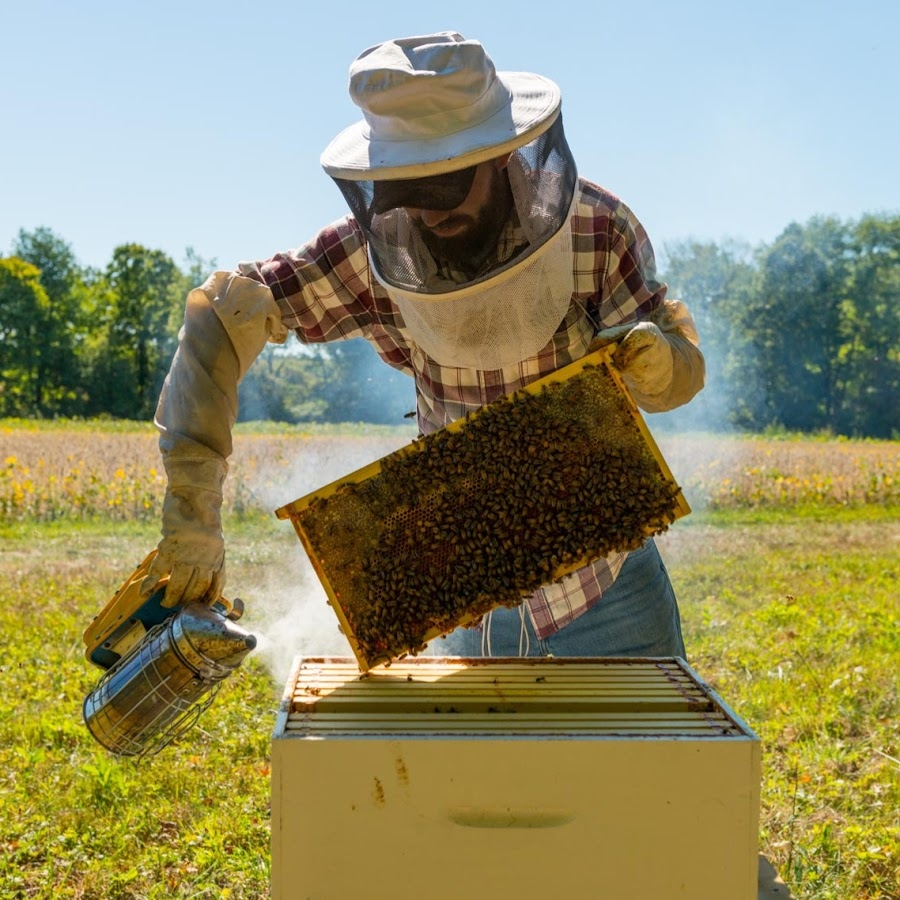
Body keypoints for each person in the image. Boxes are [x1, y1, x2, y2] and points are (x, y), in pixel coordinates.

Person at [141, 32, 705, 660]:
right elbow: (226, 315)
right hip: (466, 579)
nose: (428, 217)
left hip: (608, 584)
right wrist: (192, 506)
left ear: (500, 155)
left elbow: (678, 371)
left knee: (650, 756)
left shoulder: (598, 228)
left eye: (444, 189)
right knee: (472, 761)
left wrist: (660, 364)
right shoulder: (371, 250)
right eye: (406, 194)